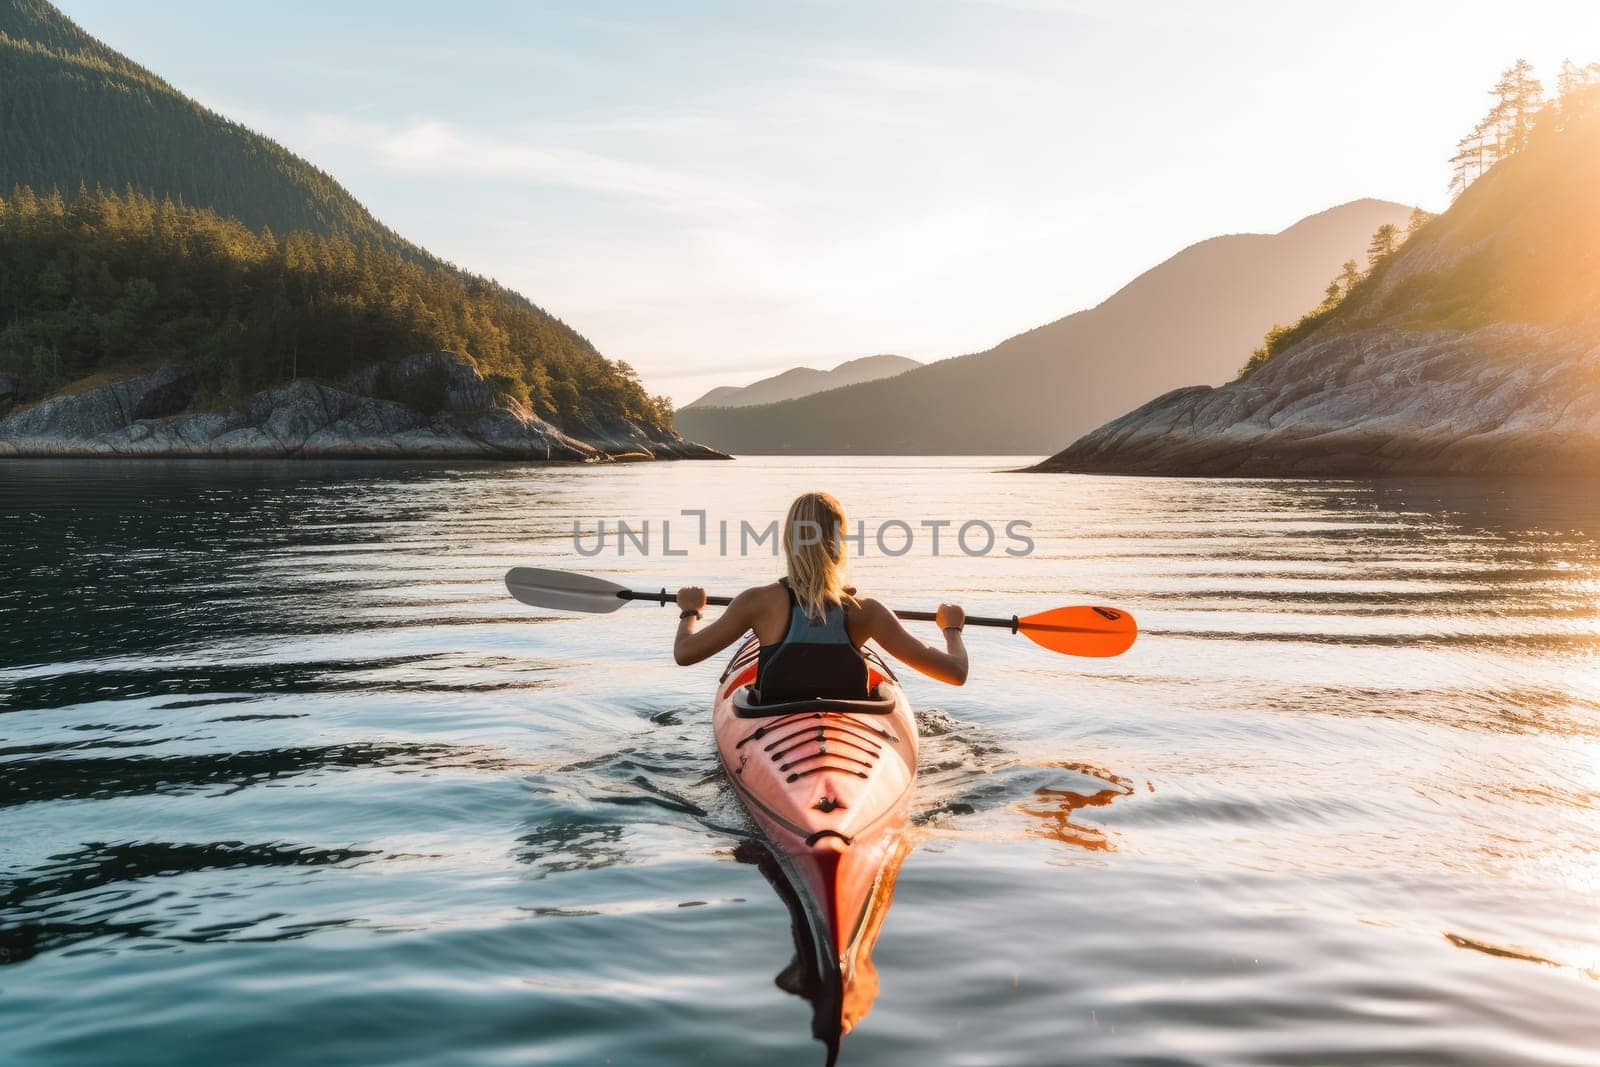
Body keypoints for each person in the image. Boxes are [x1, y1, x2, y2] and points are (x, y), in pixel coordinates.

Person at [673, 492, 967, 699]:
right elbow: (956, 673)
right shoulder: (867, 612)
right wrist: (951, 628)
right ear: (840, 542)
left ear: (789, 540)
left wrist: (690, 612)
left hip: (771, 722)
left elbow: (684, 654)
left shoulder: (756, 603)